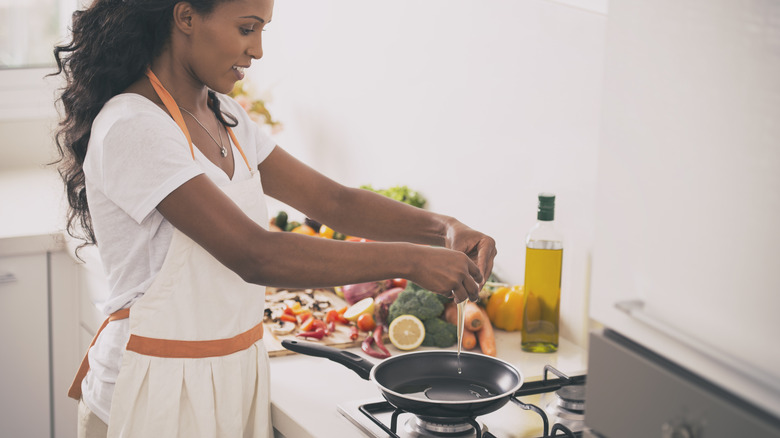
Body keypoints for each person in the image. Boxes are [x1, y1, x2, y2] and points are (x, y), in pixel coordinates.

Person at [53, 0, 497, 437]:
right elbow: (254, 254)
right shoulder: (134, 125)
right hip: (153, 390)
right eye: (247, 28)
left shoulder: (224, 116)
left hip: (234, 377)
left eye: (263, 29)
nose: (258, 50)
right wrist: (412, 260)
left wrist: (444, 228)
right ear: (186, 17)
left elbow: (333, 202)